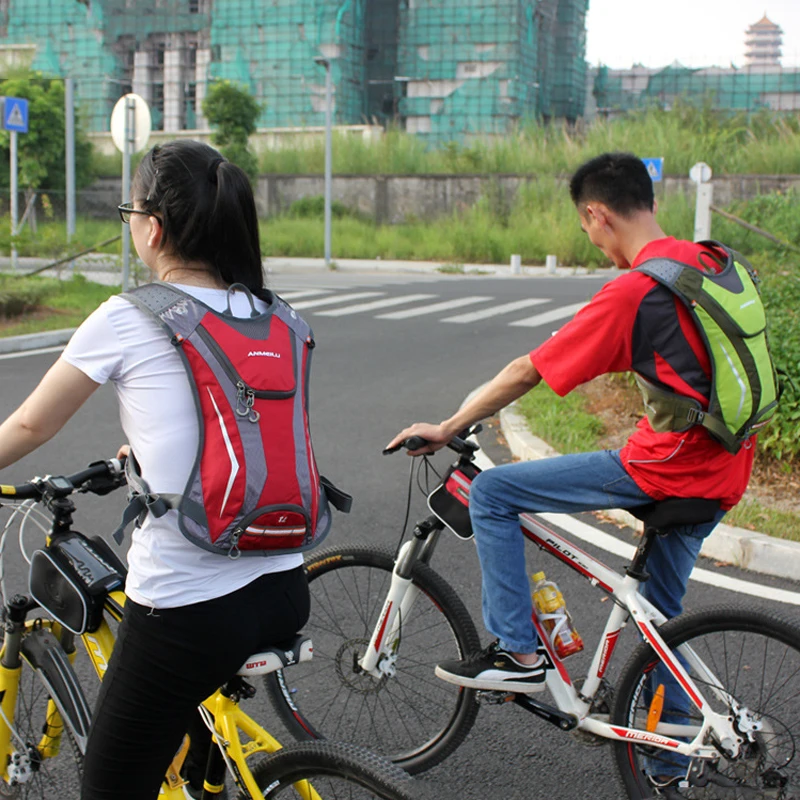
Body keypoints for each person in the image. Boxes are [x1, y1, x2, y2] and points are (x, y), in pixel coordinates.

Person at [0, 140, 312, 800]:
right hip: (285, 585)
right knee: (187, 731)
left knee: (109, 788)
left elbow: (31, 425)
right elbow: (234, 426)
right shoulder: (274, 315)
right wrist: (143, 454)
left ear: (155, 226)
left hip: (188, 604)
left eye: (129, 211)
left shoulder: (129, 315)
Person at [386, 151, 754, 703]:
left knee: (491, 491)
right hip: (729, 466)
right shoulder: (715, 261)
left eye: (588, 228)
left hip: (667, 470)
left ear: (597, 215)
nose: (595, 243)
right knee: (659, 618)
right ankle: (672, 754)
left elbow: (527, 371)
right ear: (650, 203)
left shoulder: (636, 292)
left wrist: (449, 425)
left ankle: (518, 653)